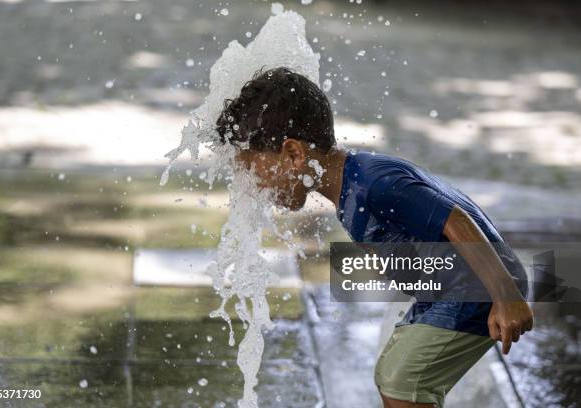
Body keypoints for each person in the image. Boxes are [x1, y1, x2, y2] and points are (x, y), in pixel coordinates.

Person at [215, 67, 533, 408]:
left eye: (253, 169)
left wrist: (507, 297)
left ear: (293, 154)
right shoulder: (351, 185)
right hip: (451, 290)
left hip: (480, 289)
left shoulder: (373, 184)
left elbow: (458, 221)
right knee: (393, 376)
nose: (252, 184)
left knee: (403, 380)